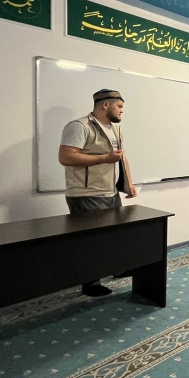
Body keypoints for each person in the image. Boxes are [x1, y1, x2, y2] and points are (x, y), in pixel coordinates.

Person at [59, 89, 137, 297]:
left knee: (113, 236)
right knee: (92, 242)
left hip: (110, 192)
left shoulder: (115, 129)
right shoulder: (79, 126)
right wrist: (104, 158)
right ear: (105, 105)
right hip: (86, 194)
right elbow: (66, 157)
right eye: (119, 106)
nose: (122, 111)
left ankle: (116, 269)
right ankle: (91, 283)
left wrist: (129, 184)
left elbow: (121, 157)